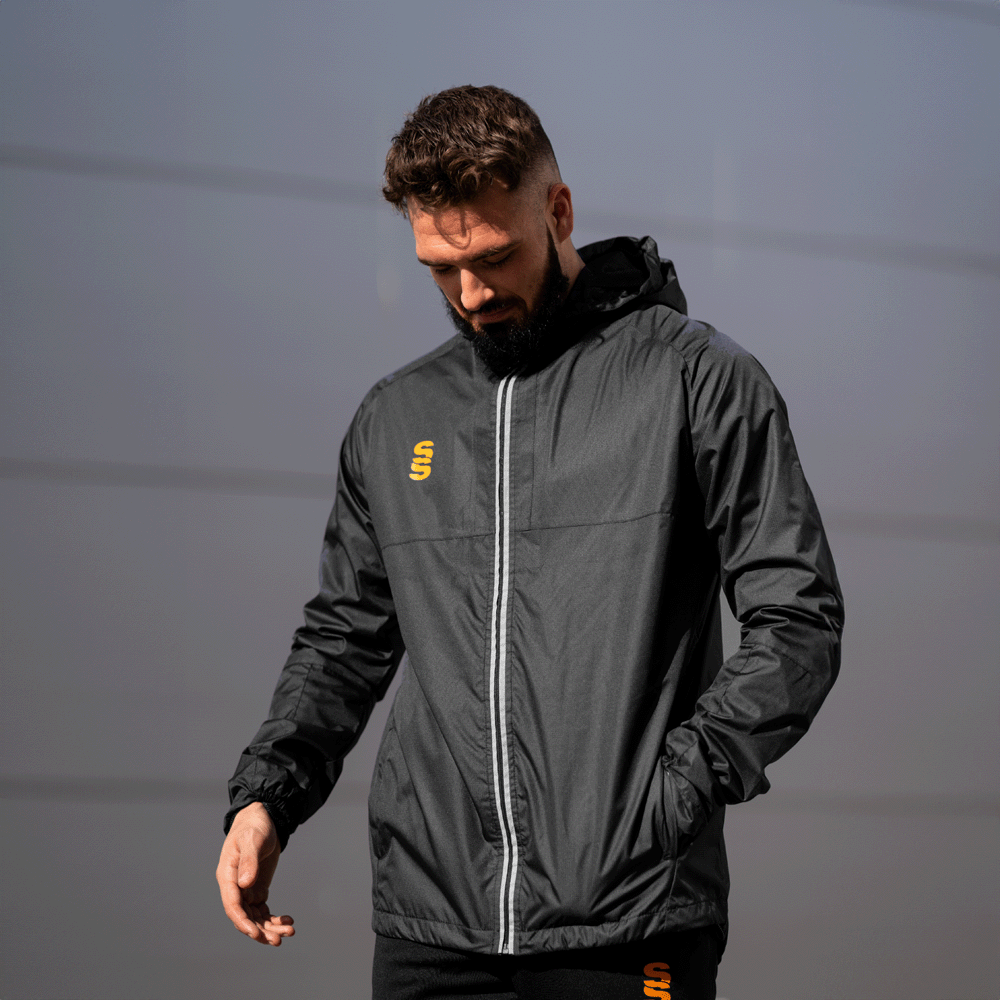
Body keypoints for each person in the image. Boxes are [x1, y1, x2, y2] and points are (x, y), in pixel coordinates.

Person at [216, 85, 844, 999]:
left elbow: (799, 620)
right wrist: (267, 796)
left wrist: (671, 792)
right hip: (432, 924)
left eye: (493, 257)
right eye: (440, 268)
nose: (471, 295)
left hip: (629, 917)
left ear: (559, 211)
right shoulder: (397, 417)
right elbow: (344, 639)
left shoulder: (696, 380)